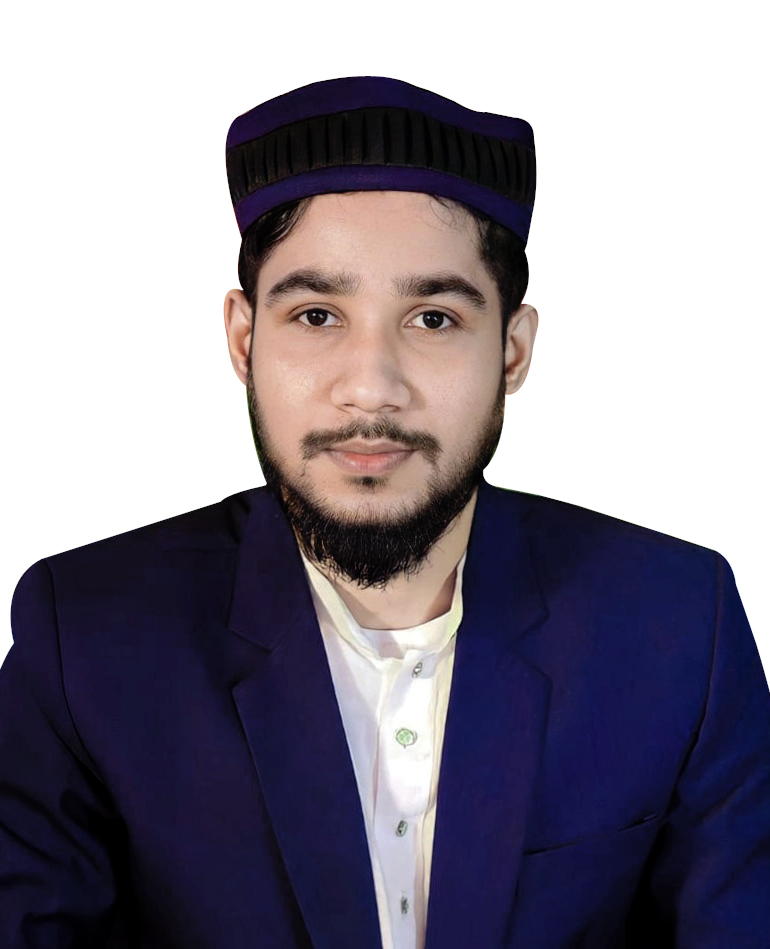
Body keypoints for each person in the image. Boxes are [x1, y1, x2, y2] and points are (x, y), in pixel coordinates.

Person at [1, 76, 768, 949]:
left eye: (433, 319)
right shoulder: (89, 640)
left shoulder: (677, 625)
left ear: (512, 351)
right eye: (316, 315)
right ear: (245, 340)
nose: (370, 386)